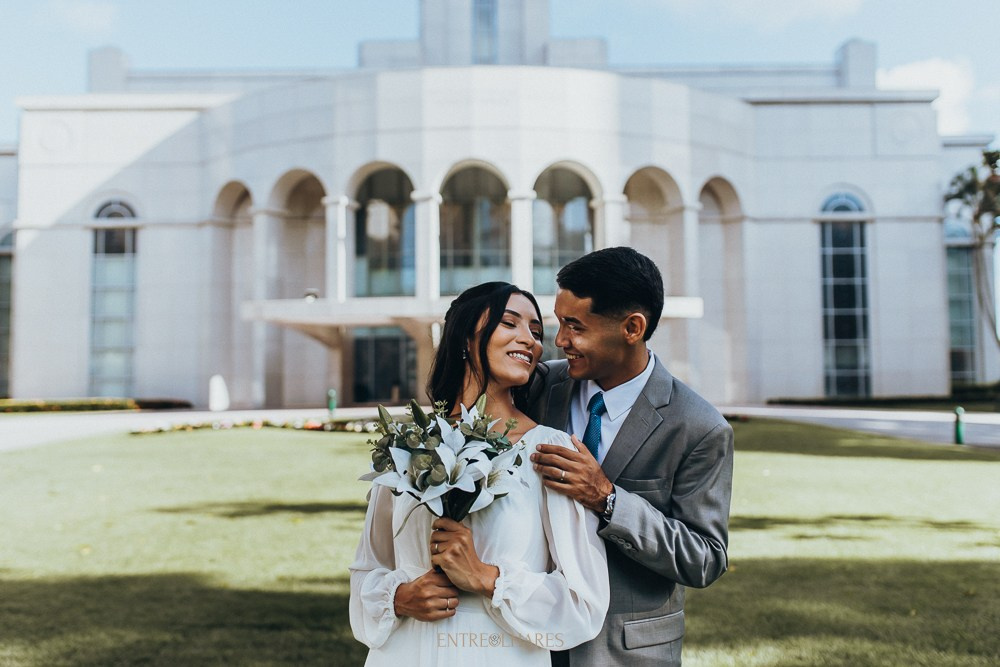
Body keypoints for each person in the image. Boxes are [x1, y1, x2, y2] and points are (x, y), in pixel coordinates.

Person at [350, 282, 610, 666]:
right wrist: (399, 598)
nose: (530, 341)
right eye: (510, 323)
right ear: (465, 338)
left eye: (536, 332)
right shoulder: (409, 447)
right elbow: (368, 568)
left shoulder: (548, 451)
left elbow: (583, 601)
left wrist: (486, 578)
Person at [524, 247, 734, 667]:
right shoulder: (537, 387)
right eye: (559, 322)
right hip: (531, 639)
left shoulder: (699, 427)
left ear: (632, 328)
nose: (560, 340)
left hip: (626, 653)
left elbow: (705, 557)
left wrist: (608, 499)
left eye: (575, 326)